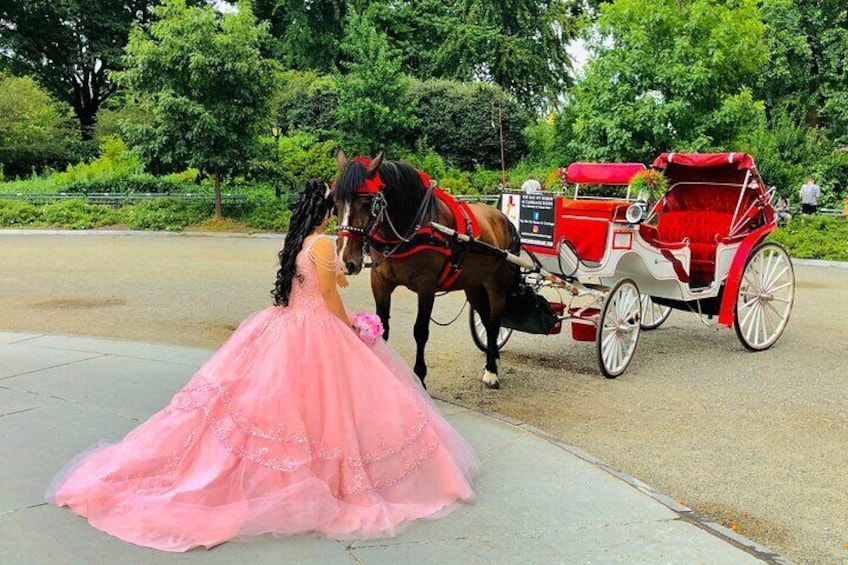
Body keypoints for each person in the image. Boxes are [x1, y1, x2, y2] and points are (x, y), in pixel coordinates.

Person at [46, 179, 479, 552]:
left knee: (272, 406)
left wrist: (335, 279)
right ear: (326, 213)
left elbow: (310, 280)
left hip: (283, 324)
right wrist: (354, 329)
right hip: (316, 330)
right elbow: (327, 297)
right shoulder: (325, 243)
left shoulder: (294, 243)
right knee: (336, 407)